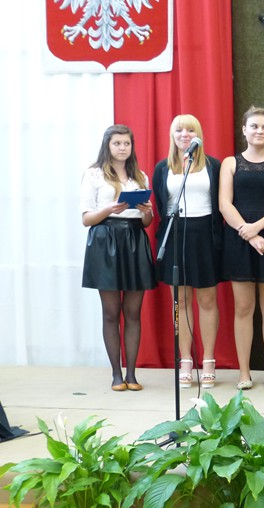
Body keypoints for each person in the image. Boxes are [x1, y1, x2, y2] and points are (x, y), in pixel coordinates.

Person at [220, 106, 264, 390]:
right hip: (239, 241)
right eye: (254, 126)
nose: (259, 131)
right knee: (243, 307)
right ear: (244, 130)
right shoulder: (230, 163)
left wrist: (257, 228)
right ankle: (244, 372)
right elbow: (225, 204)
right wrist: (248, 234)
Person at [80, 124, 156, 391]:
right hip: (105, 239)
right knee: (111, 313)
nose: (123, 148)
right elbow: (87, 219)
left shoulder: (140, 176)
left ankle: (132, 374)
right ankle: (116, 374)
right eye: (117, 143)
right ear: (107, 146)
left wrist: (147, 211)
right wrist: (109, 209)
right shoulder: (94, 174)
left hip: (135, 239)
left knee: (133, 312)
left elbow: (146, 222)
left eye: (127, 143)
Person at [152, 114, 222, 390]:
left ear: (198, 135)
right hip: (176, 233)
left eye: (190, 130)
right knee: (180, 301)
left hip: (205, 235)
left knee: (207, 300)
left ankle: (208, 361)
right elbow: (161, 206)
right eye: (179, 130)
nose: (184, 134)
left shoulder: (213, 166)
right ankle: (185, 361)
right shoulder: (163, 168)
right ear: (172, 135)